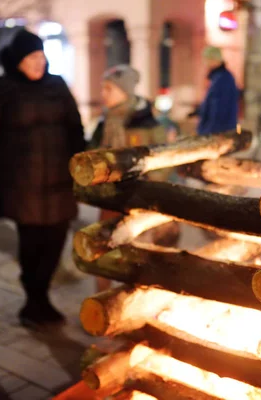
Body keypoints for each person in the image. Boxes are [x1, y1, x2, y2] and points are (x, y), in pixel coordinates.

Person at [0, 30, 86, 327]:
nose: (39, 62)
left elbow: (75, 130)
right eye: (31, 57)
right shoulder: (0, 89)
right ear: (17, 61)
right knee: (31, 244)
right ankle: (34, 301)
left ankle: (41, 296)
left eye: (41, 56)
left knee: (55, 242)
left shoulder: (57, 85)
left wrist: (83, 170)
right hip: (22, 183)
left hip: (60, 183)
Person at [89, 64, 179, 292]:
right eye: (103, 88)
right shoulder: (106, 121)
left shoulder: (147, 122)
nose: (104, 94)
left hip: (139, 200)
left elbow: (164, 160)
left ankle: (134, 299)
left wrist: (150, 189)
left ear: (124, 91)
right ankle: (103, 302)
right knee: (103, 247)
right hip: (109, 198)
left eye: (109, 88)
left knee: (138, 253)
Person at [196, 46, 239, 136]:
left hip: (218, 132)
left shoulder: (223, 79)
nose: (205, 63)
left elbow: (219, 108)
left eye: (207, 59)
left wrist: (209, 132)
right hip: (217, 131)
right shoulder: (218, 78)